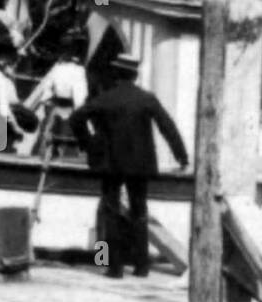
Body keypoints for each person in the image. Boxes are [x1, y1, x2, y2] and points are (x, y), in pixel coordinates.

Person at [71, 53, 189, 279]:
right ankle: (141, 266)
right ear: (135, 74)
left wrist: (89, 143)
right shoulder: (146, 99)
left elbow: (76, 119)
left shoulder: (105, 99)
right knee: (139, 211)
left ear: (116, 73)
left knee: (110, 212)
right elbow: (168, 127)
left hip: (110, 162)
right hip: (139, 163)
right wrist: (181, 157)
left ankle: (113, 267)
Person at [25, 28, 89, 159]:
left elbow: (45, 96)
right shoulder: (78, 70)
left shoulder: (57, 68)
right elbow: (79, 101)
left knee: (45, 143)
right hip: (68, 115)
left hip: (53, 113)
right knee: (66, 149)